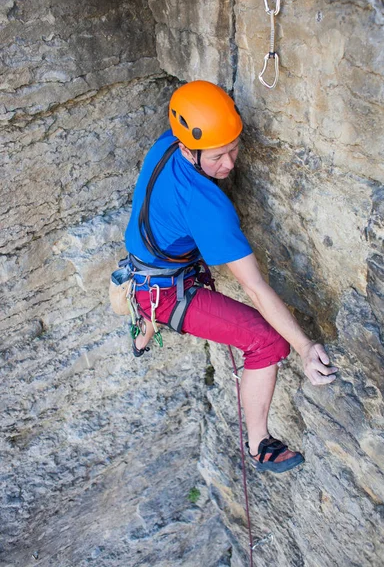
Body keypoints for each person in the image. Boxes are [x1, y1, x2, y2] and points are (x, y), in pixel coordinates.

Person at [124, 80, 338, 474]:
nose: (230, 164)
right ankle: (258, 443)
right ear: (188, 148)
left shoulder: (165, 146)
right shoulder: (207, 207)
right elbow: (254, 287)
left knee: (157, 286)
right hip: (167, 291)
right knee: (267, 341)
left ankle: (144, 328)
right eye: (219, 156)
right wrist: (305, 347)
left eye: (234, 149)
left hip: (147, 264)